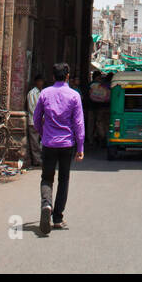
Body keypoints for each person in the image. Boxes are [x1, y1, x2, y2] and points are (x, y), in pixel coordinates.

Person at [33, 61, 84, 235]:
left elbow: (36, 118)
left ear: (53, 76)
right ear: (67, 76)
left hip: (49, 143)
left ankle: (46, 203)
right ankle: (57, 218)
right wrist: (80, 146)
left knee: (47, 177)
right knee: (64, 179)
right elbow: (78, 123)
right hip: (66, 144)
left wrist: (43, 132)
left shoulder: (45, 93)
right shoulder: (74, 95)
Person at [25, 74, 45, 169]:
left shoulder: (40, 93)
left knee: (40, 141)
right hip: (34, 120)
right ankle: (36, 160)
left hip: (40, 120)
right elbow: (32, 107)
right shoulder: (32, 93)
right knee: (35, 142)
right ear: (36, 82)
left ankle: (40, 158)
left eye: (42, 81)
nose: (41, 83)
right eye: (40, 81)